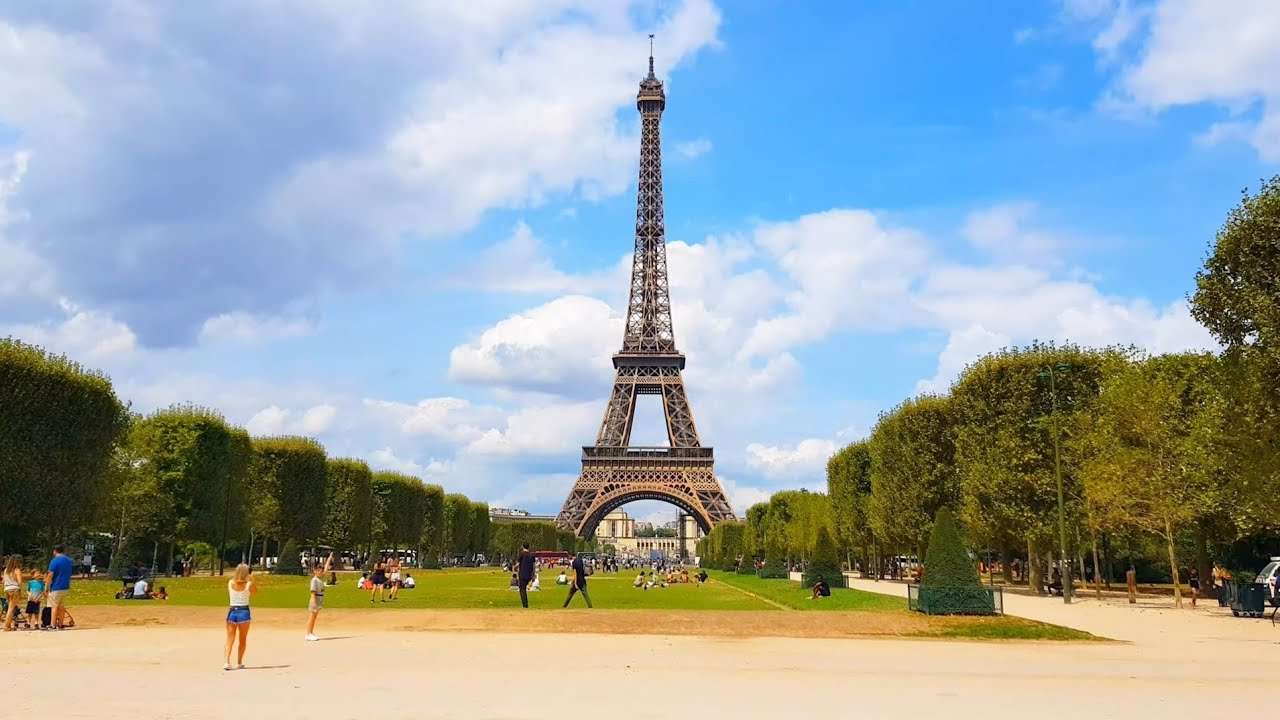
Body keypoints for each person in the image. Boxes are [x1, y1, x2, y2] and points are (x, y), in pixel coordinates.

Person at [225, 563, 256, 670]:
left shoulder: (230, 583)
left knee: (230, 639)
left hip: (232, 611)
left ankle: (227, 661)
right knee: (242, 639)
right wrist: (252, 579)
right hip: (244, 612)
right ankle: (239, 662)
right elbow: (255, 592)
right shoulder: (248, 584)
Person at [305, 552, 333, 642]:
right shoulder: (314, 580)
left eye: (321, 571)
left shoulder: (319, 578)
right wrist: (314, 603)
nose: (321, 572)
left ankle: (311, 632)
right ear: (315, 571)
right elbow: (312, 592)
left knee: (314, 617)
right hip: (315, 599)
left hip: (319, 599)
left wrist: (329, 559)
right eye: (319, 571)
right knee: (312, 617)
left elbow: (326, 570)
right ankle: (308, 633)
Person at [46, 545, 73, 630]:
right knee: (62, 606)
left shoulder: (54, 561)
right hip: (65, 586)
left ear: (55, 551)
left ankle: (53, 624)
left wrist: (46, 587)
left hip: (56, 586)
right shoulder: (69, 560)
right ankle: (60, 624)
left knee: (54, 606)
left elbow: (50, 575)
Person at [3, 555, 22, 631]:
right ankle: (6, 626)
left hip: (7, 589)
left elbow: (3, 581)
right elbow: (20, 582)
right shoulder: (17, 570)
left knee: (10, 608)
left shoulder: (6, 570)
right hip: (14, 589)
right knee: (11, 609)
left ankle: (9, 625)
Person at [516, 543, 536, 608]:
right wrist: (533, 575)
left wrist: (514, 568)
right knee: (524, 588)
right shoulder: (532, 555)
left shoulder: (521, 554)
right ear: (528, 547)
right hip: (529, 574)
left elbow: (518, 563)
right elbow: (534, 566)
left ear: (522, 547)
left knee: (522, 589)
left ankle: (525, 605)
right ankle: (526, 604)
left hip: (522, 574)